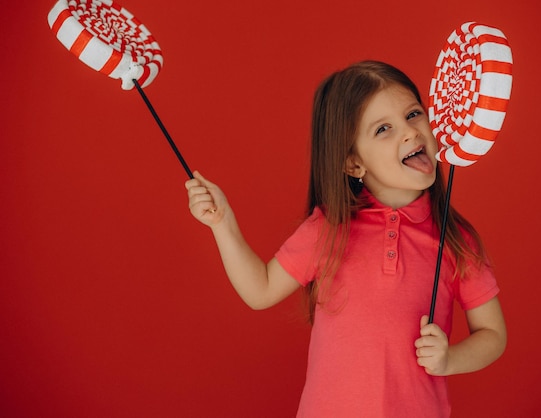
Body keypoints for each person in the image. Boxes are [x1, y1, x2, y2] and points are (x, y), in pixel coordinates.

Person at [185, 61, 506, 417]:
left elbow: (492, 334)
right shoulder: (329, 228)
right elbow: (260, 290)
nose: (410, 133)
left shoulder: (456, 240)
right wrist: (222, 224)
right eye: (383, 128)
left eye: (414, 114)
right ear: (353, 163)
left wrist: (450, 359)